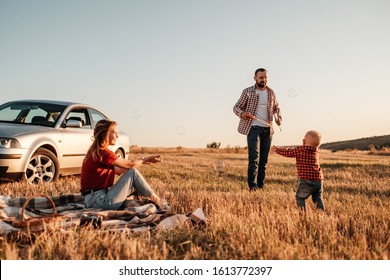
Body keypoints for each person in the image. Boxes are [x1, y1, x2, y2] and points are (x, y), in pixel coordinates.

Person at [80, 119, 169, 211]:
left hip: (93, 200)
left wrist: (143, 162)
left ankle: (145, 201)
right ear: (105, 134)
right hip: (99, 201)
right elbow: (130, 165)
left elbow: (119, 170)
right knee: (133, 172)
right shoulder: (103, 152)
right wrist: (145, 159)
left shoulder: (96, 151)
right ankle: (158, 201)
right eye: (114, 133)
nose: (117, 136)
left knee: (133, 178)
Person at [233, 68, 282, 191]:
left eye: (265, 77)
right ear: (255, 78)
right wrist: (242, 113)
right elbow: (236, 107)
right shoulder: (248, 91)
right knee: (254, 158)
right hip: (253, 128)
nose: (264, 80)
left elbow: (276, 107)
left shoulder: (271, 93)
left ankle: (261, 185)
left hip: (268, 129)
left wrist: (278, 117)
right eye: (261, 77)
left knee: (264, 160)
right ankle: (253, 187)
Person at [270, 130, 325, 211]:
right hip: (319, 180)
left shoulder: (301, 150)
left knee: (300, 198)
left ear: (304, 141)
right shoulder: (316, 152)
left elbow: (288, 152)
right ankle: (322, 212)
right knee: (318, 198)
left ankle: (303, 213)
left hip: (306, 180)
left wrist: (277, 150)